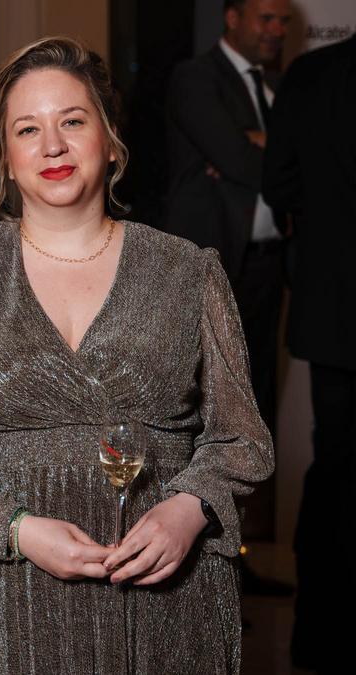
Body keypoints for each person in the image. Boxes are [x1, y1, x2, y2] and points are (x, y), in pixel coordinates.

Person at [0, 36, 273, 673]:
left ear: (110, 140)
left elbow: (242, 439)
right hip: (1, 601)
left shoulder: (188, 271)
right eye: (27, 129)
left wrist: (190, 508)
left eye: (72, 121)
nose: (52, 146)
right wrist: (14, 529)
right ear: (7, 159)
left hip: (167, 601)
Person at [164, 0, 291, 545]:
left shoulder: (276, 85)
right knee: (207, 407)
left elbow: (281, 165)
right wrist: (262, 152)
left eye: (283, 21)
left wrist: (261, 146)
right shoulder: (196, 77)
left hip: (267, 264)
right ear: (233, 18)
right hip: (216, 267)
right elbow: (240, 160)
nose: (277, 30)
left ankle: (242, 550)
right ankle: (199, 544)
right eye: (266, 18)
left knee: (253, 409)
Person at [262, 34, 356, 674]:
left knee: (334, 468)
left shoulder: (311, 73)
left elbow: (279, 182)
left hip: (334, 309)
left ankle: (319, 633)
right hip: (334, 311)